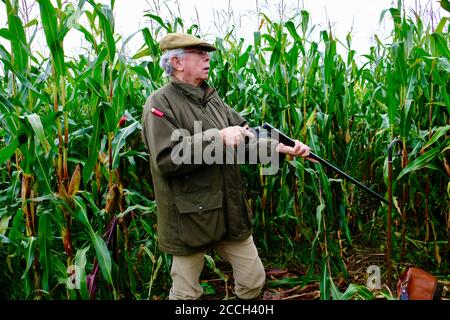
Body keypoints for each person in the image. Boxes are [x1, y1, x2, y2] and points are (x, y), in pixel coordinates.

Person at [141, 33, 313, 300]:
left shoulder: (211, 99)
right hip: (189, 216)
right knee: (186, 293)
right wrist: (218, 138)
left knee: (253, 279)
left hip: (228, 210)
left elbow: (244, 140)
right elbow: (167, 158)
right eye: (199, 53)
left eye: (206, 53)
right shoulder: (160, 103)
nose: (207, 57)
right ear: (176, 61)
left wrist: (281, 147)